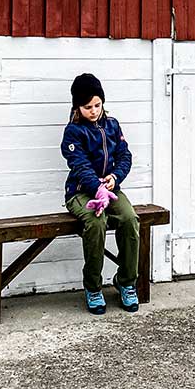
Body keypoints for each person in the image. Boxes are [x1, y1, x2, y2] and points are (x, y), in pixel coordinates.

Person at [61, 73, 140, 315]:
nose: (94, 111)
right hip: (81, 193)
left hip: (111, 190)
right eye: (87, 107)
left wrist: (115, 178)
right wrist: (96, 187)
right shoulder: (73, 132)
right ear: (77, 106)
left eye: (97, 105)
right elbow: (80, 164)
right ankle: (93, 287)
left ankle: (126, 282)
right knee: (97, 223)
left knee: (130, 219)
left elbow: (125, 156)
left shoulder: (112, 125)